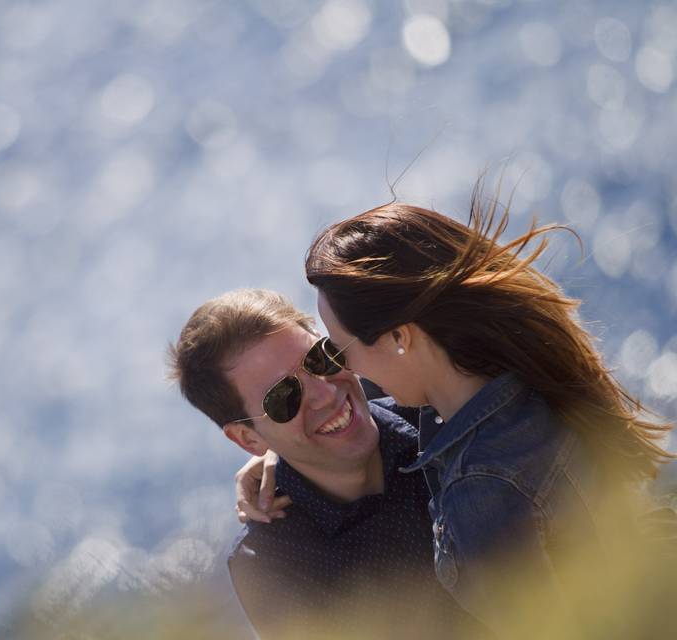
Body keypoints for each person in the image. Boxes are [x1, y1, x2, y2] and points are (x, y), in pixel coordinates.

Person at [235, 190, 676, 637]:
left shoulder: (480, 491)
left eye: (339, 350)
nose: (343, 371)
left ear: (400, 337)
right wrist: (280, 448)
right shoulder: (522, 374)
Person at [167, 289, 484, 639]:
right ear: (248, 439)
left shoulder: (440, 411)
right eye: (284, 397)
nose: (326, 394)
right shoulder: (273, 565)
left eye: (320, 358)